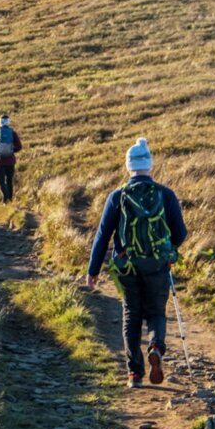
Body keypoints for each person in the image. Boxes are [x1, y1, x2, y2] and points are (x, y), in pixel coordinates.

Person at [84, 138, 188, 388]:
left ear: (128, 165)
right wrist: (166, 250)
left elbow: (102, 235)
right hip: (158, 265)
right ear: (150, 164)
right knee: (155, 312)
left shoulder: (117, 196)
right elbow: (181, 233)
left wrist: (93, 270)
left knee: (131, 315)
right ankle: (156, 347)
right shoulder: (166, 194)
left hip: (127, 266)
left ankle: (135, 374)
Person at [0, 114, 24, 201]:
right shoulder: (13, 133)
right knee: (9, 180)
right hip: (10, 161)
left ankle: (5, 198)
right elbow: (19, 147)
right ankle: (10, 199)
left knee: (1, 181)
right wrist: (11, 150)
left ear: (0, 122)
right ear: (8, 122)